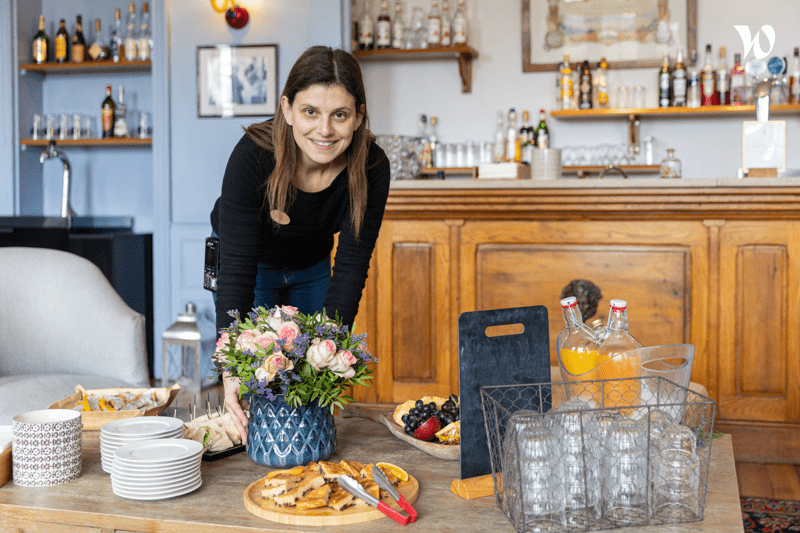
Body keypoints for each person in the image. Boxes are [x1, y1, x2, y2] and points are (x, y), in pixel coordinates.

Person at [210, 46, 391, 443]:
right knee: (257, 381)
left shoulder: (372, 166)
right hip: (253, 264)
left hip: (311, 265)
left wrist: (330, 348)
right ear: (287, 109)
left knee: (312, 376)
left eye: (339, 115)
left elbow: (351, 267)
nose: (324, 130)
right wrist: (230, 372)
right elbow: (236, 269)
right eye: (310, 111)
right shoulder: (253, 156)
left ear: (358, 115)